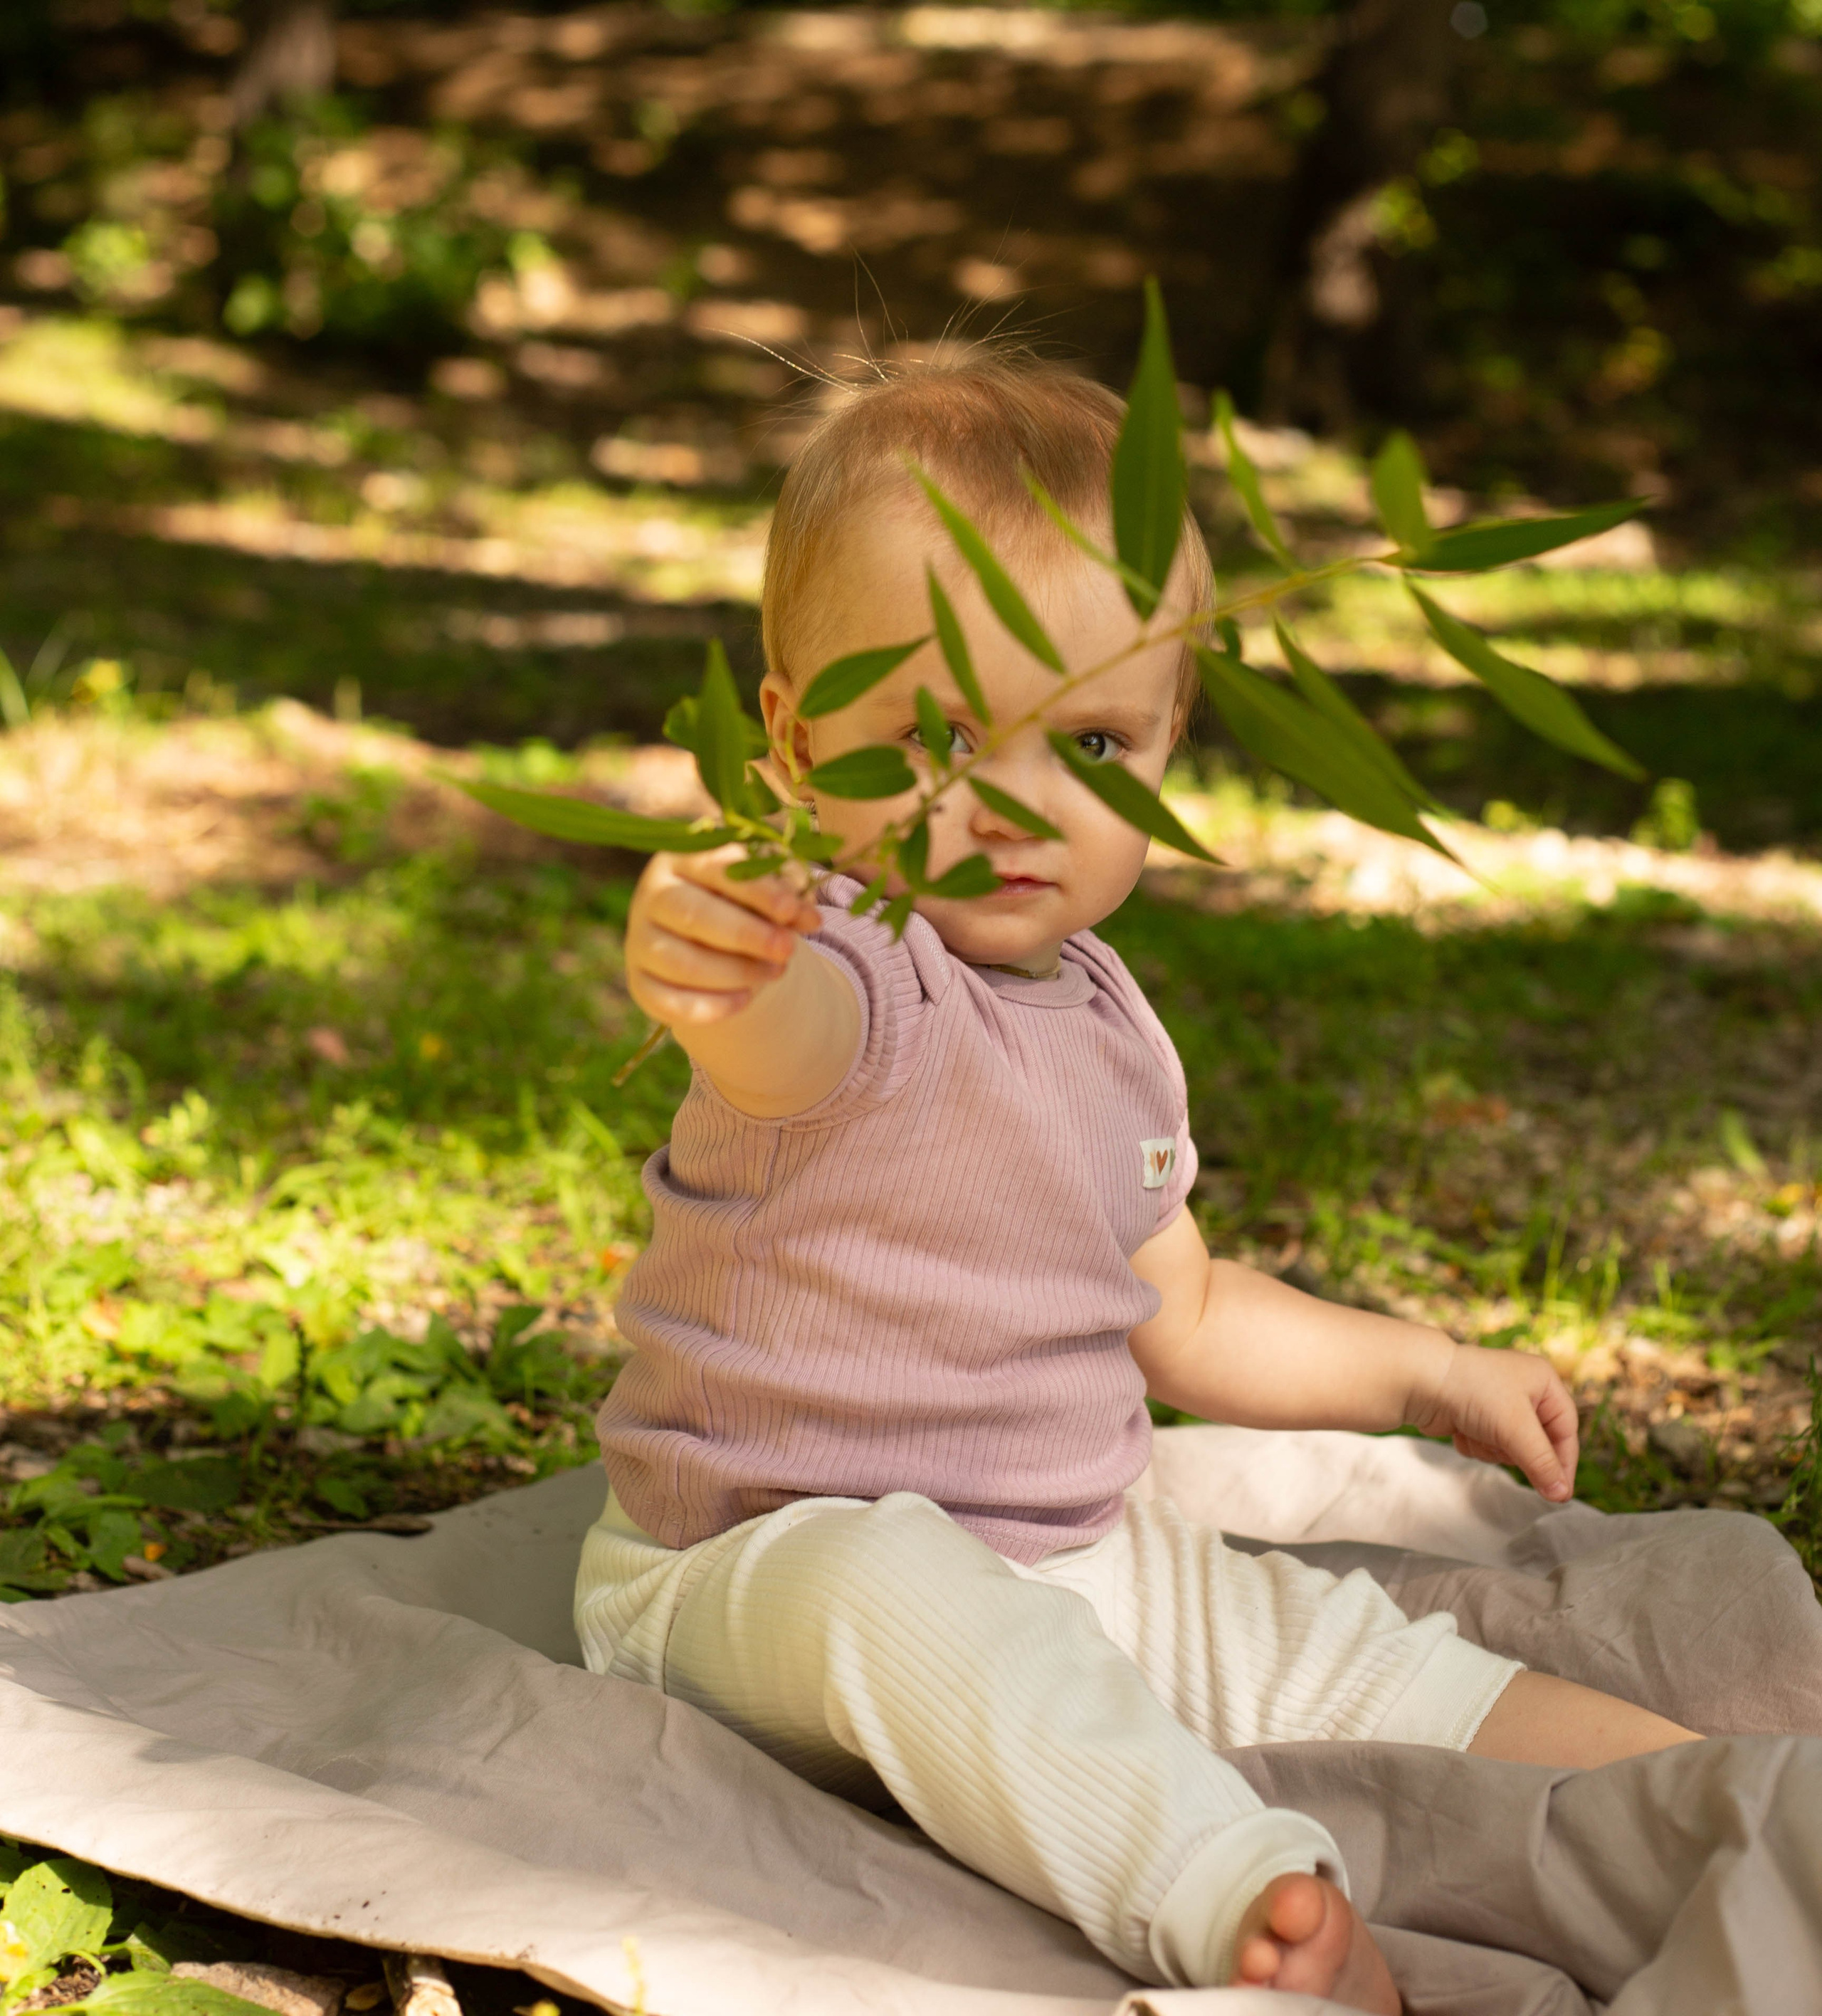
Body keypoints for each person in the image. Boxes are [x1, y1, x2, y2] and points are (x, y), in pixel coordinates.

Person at [573, 355, 1698, 2011]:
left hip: (1061, 1556)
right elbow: (766, 1031)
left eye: (1090, 738)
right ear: (800, 742)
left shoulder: (1107, 1023)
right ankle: (1237, 1907)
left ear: (1167, 744)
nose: (1021, 804)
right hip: (753, 1579)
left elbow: (1181, 1308)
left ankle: (1707, 1794)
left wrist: (1422, 1370)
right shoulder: (853, 967)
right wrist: (710, 953)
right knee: (896, 1590)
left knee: (1314, 1639)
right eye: (944, 734)